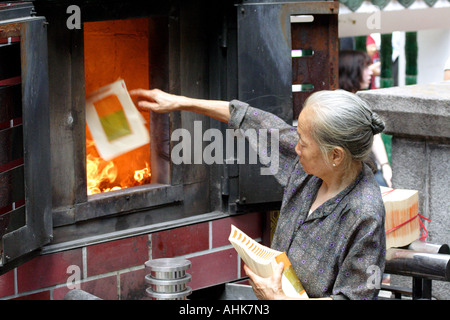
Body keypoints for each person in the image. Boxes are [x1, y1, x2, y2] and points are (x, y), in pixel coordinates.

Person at [130, 88, 386, 300]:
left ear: (335, 155)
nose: (295, 148)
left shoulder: (364, 213)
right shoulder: (309, 169)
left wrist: (278, 299)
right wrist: (180, 102)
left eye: (302, 143)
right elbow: (252, 120)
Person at [339, 50, 392, 188]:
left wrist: (385, 165)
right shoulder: (339, 103)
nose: (371, 73)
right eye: (366, 68)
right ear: (352, 70)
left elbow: (374, 134)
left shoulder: (359, 100)